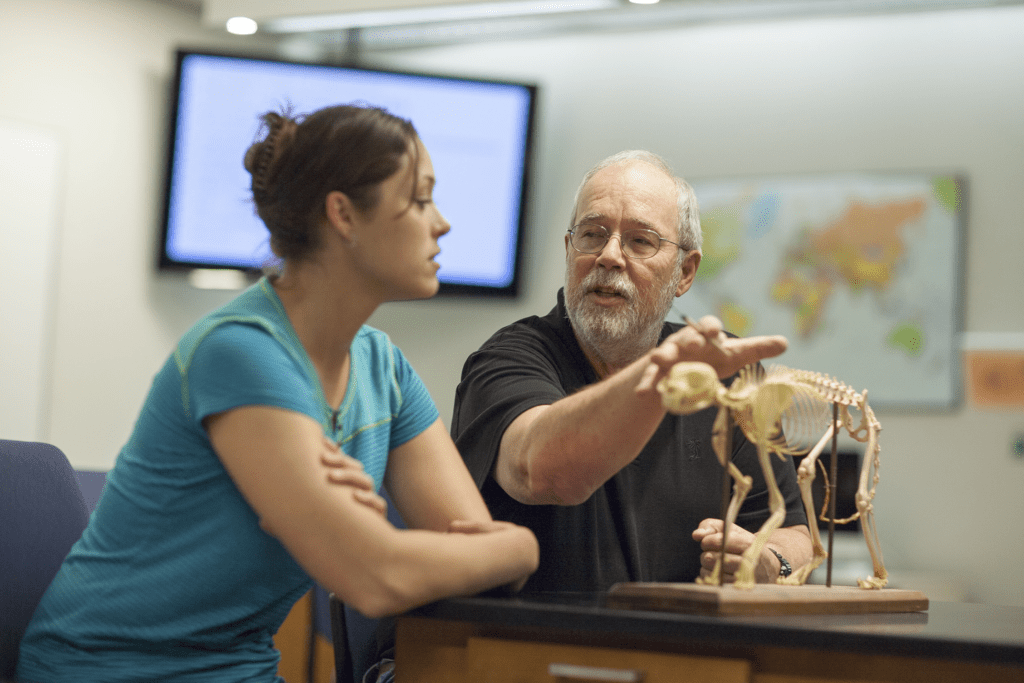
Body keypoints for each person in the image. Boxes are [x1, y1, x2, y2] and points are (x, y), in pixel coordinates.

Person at [16, 104, 538, 683]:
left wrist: (384, 543)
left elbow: (460, 562)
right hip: (110, 671)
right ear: (342, 214)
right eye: (419, 200)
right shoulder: (241, 352)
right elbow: (378, 578)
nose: (440, 223)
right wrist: (520, 546)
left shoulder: (383, 370)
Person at [451, 150, 813, 593]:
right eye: (592, 234)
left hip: (681, 651)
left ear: (685, 272)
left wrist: (766, 561)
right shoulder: (509, 359)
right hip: (530, 651)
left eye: (640, 241)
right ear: (570, 250)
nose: (609, 256)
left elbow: (795, 535)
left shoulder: (724, 373)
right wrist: (661, 378)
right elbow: (544, 472)